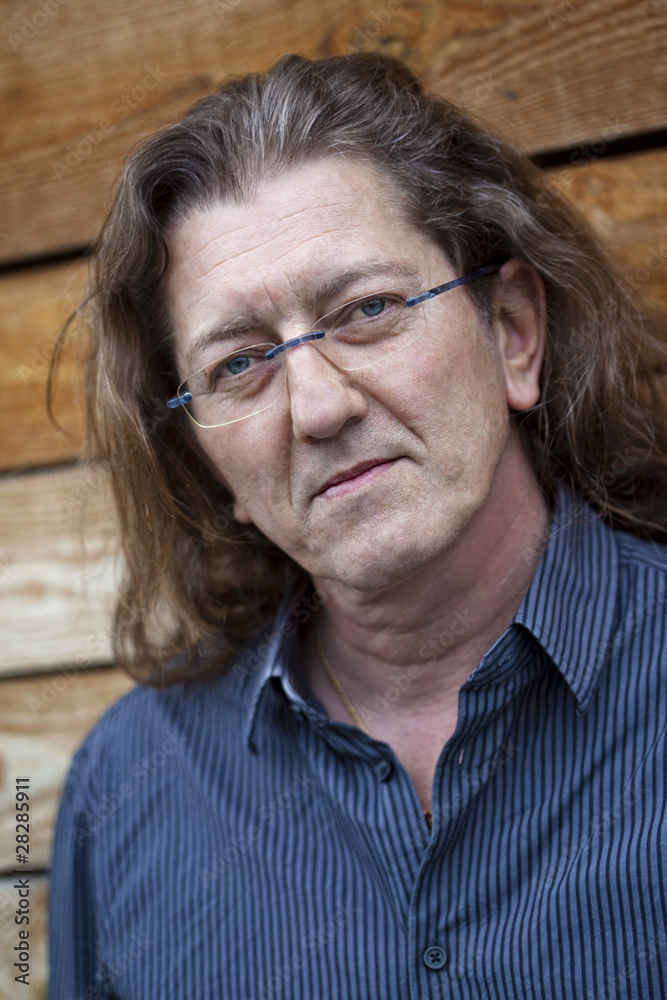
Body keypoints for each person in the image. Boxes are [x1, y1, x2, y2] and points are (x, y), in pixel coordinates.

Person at [48, 53, 667, 999]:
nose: (319, 407)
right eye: (239, 364)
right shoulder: (126, 784)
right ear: (207, 464)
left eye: (368, 309)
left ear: (510, 332)